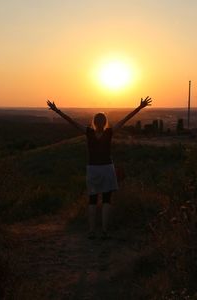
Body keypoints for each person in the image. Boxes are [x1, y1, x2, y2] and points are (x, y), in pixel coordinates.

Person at [47, 96, 152, 239]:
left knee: (92, 200)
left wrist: (56, 110)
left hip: (93, 169)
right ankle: (104, 230)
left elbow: (71, 121)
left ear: (94, 122)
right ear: (105, 122)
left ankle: (91, 231)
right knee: (107, 200)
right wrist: (140, 107)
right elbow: (125, 119)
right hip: (107, 169)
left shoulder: (88, 132)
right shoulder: (109, 132)